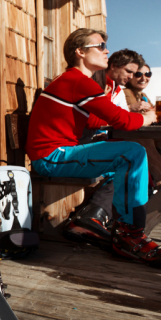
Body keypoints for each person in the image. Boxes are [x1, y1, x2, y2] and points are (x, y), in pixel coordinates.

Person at [26, 29, 161, 269]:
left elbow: (92, 121)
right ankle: (130, 236)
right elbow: (124, 122)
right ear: (80, 52)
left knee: (137, 167)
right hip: (51, 157)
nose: (107, 50)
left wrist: (132, 116)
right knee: (133, 153)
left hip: (62, 152)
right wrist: (150, 116)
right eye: (100, 46)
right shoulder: (77, 81)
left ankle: (95, 222)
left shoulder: (75, 82)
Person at [63, 48, 146, 246]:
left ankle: (96, 219)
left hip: (85, 142)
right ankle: (106, 223)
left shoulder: (114, 87)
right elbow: (95, 119)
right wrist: (142, 118)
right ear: (114, 66)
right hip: (73, 147)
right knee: (132, 159)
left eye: (134, 73)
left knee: (135, 165)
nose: (131, 77)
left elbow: (116, 117)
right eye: (128, 71)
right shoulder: (93, 82)